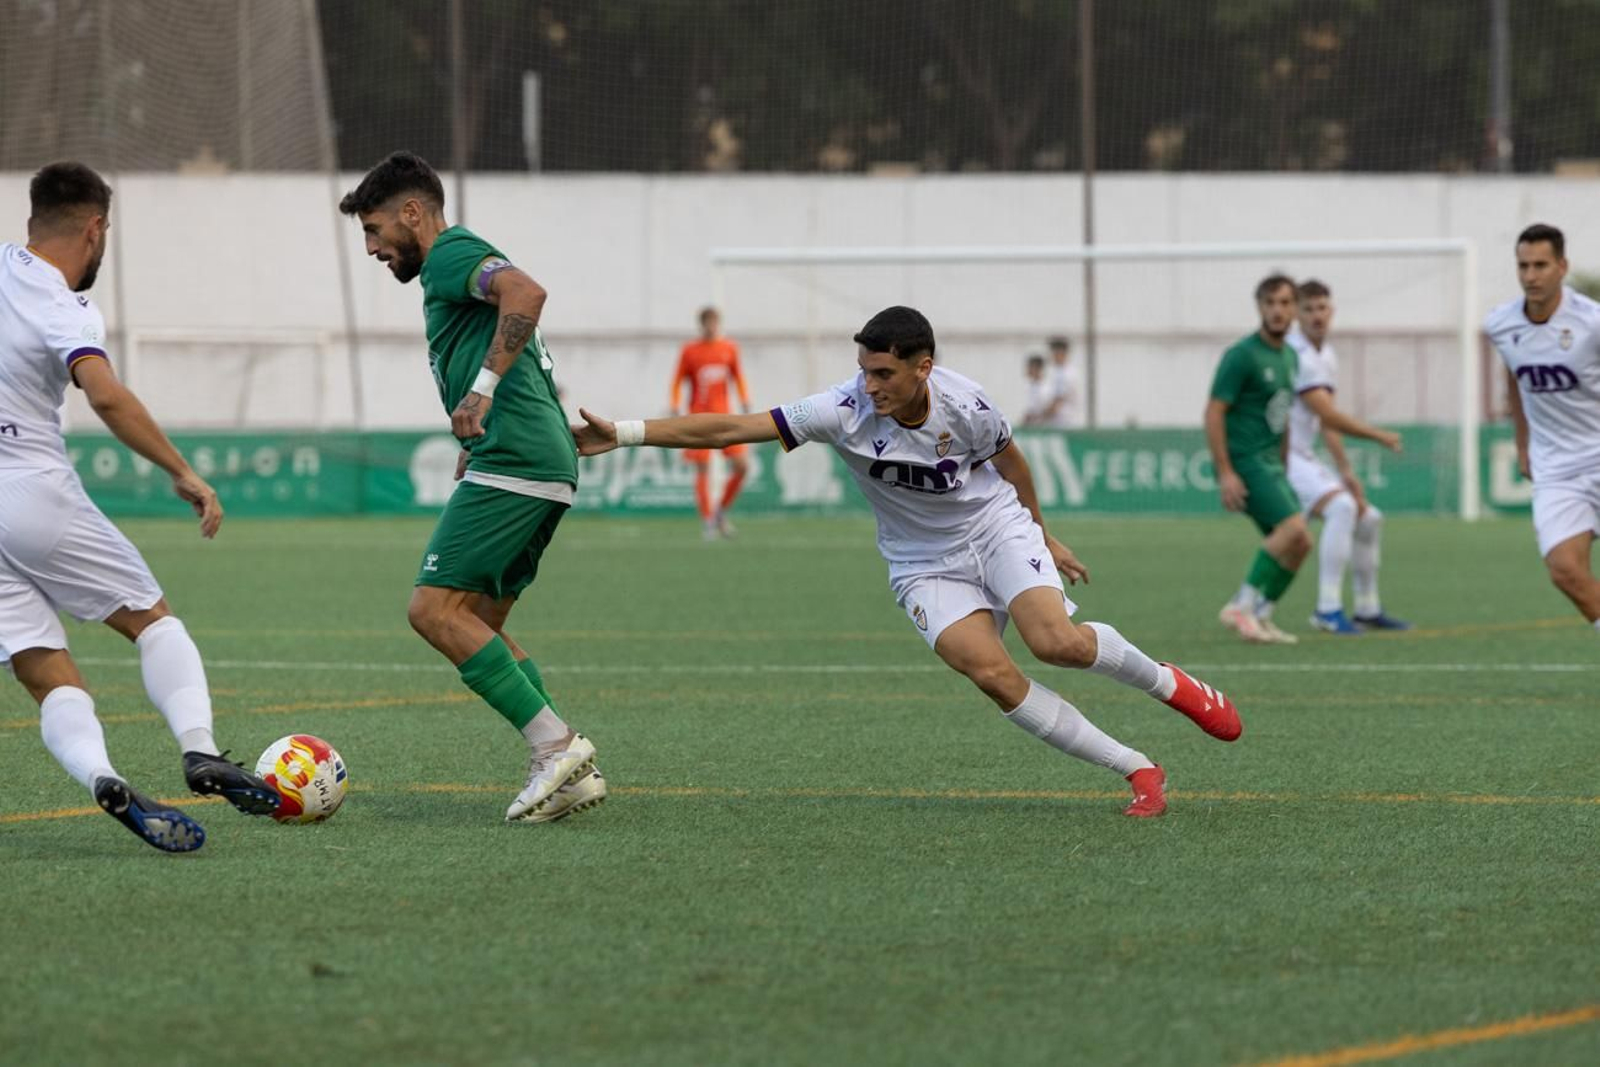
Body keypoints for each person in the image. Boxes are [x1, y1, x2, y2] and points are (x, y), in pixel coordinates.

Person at [573, 306, 1243, 818]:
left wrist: (1044, 534)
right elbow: (726, 427)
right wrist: (627, 432)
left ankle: (1172, 685)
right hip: (921, 562)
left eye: (884, 372)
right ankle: (1136, 769)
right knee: (991, 672)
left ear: (923, 366)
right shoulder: (841, 409)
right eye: (865, 370)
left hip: (993, 526)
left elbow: (1012, 463)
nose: (870, 385)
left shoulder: (969, 405)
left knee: (1057, 642)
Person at [0, 162, 280, 852]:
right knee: (153, 621)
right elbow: (105, 393)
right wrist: (182, 471)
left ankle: (101, 774)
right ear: (95, 228)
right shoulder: (63, 303)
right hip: (30, 487)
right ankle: (200, 749)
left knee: (43, 664)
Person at [339, 151, 605, 823]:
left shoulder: (452, 251)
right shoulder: (450, 272)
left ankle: (555, 746)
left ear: (411, 213)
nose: (372, 248)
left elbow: (527, 294)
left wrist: (482, 395)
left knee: (432, 611)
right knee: (480, 623)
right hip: (529, 459)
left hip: (518, 457)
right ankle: (566, 767)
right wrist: (476, 435)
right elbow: (526, 350)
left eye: (374, 230)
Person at [1484, 223, 1600, 631]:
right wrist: (1522, 444)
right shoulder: (1500, 324)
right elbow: (1515, 379)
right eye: (1523, 266)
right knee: (1565, 570)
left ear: (1562, 266)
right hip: (1556, 468)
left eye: (1540, 265)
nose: (1530, 276)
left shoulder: (1592, 322)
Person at [1286, 280, 1408, 634]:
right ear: (1297, 314)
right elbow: (1329, 415)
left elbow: (1325, 421)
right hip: (1283, 458)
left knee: (1369, 518)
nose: (1316, 315)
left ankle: (1367, 608)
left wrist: (1345, 470)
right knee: (1342, 509)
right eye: (1308, 309)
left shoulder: (1326, 355)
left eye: (1322, 308)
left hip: (1304, 456)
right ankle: (1327, 608)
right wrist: (1378, 435)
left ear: (1331, 311)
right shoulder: (1299, 356)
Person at [1206, 274, 1313, 644]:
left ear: (1294, 309)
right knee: (1293, 530)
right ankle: (1240, 606)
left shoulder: (1290, 357)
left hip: (1271, 462)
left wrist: (1283, 464)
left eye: (1285, 303)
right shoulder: (1242, 355)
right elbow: (1215, 412)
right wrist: (1226, 472)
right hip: (1246, 459)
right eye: (1270, 303)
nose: (1278, 311)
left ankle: (1262, 614)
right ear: (1260, 307)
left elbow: (1281, 415)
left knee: (1300, 543)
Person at [672, 306, 750, 538]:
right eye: (708, 323)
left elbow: (738, 377)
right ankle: (708, 519)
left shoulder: (729, 348)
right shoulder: (690, 351)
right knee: (703, 469)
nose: (712, 327)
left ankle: (719, 512)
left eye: (715, 323)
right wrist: (675, 404)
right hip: (699, 418)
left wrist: (746, 400)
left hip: (725, 418)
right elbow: (677, 380)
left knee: (742, 466)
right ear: (701, 325)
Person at [1044, 335, 1083, 428]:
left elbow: (1058, 401)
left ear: (1062, 353)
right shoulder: (1055, 371)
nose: (1052, 355)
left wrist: (1041, 417)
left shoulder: (1067, 374)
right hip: (1057, 423)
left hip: (1067, 423)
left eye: (1055, 352)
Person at [1021, 354, 1052, 426]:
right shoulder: (1031, 386)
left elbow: (1048, 410)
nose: (1027, 370)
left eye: (1030, 367)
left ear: (1037, 368)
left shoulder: (1045, 388)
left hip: (1043, 427)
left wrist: (1034, 417)